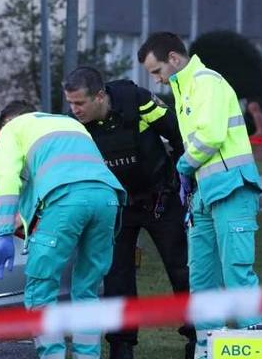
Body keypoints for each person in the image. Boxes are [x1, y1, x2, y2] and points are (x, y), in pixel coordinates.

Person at [137, 32, 262, 359]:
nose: (157, 79)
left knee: (237, 272)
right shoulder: (185, 89)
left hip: (232, 187)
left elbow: (210, 135)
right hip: (205, 193)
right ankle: (208, 350)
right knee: (201, 276)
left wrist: (182, 163)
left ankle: (258, 347)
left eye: (157, 71)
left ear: (175, 60)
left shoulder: (206, 82)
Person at [62, 66, 194, 359]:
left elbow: (178, 135)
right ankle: (121, 346)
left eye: (80, 103)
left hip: (161, 198)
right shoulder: (76, 125)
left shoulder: (137, 100)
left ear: (100, 96)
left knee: (182, 268)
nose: (75, 110)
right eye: (70, 103)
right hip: (117, 206)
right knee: (116, 277)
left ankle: (197, 339)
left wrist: (186, 180)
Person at [0, 100, 126, 359]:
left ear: (8, 122)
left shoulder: (11, 130)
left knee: (41, 288)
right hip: (108, 198)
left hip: (66, 202)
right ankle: (88, 356)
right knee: (87, 290)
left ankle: (52, 355)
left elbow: (8, 182)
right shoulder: (69, 124)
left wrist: (5, 233)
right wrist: (25, 217)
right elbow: (56, 174)